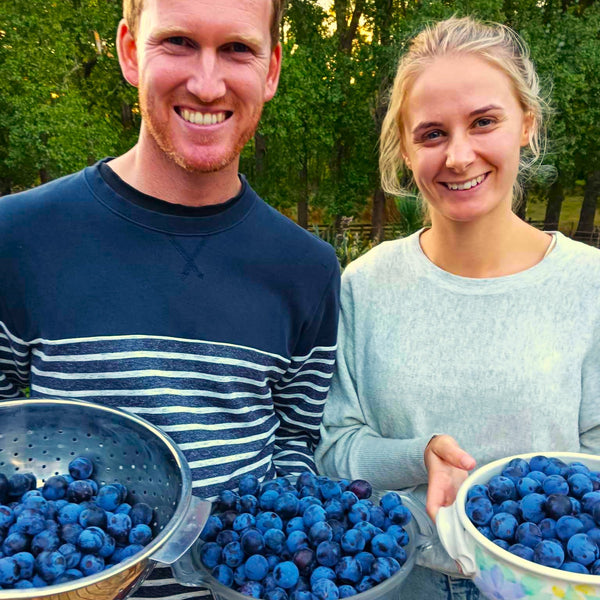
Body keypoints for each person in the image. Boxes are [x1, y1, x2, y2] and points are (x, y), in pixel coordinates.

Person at [0, 0, 340, 597]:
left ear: (272, 68)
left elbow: (295, 440)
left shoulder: (306, 268)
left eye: (236, 49)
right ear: (130, 50)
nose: (207, 84)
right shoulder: (18, 238)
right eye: (178, 42)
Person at [315, 15, 600, 600]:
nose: (460, 155)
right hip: (396, 578)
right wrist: (416, 456)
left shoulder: (588, 285)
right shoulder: (363, 286)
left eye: (484, 122)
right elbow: (334, 450)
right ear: (406, 148)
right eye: (432, 133)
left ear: (527, 123)